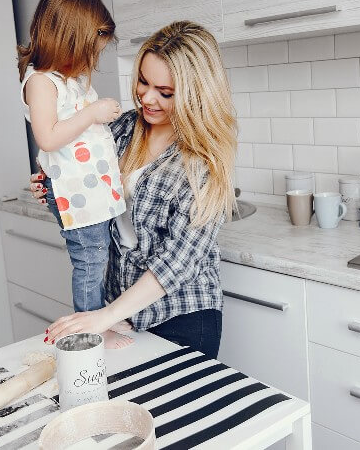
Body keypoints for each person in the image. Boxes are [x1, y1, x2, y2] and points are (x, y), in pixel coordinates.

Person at [33, 20, 237, 358]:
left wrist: (106, 315)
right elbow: (81, 174)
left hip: (180, 315)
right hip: (118, 311)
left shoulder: (205, 161)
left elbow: (180, 261)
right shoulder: (124, 128)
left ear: (195, 94)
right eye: (143, 81)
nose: (147, 97)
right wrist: (54, 185)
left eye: (165, 92)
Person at [19, 0, 132, 348]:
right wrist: (94, 113)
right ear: (69, 39)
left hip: (87, 188)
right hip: (73, 191)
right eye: (90, 51)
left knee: (101, 255)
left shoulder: (68, 80)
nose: (92, 61)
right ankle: (88, 331)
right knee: (90, 259)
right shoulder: (41, 82)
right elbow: (48, 137)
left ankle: (102, 318)